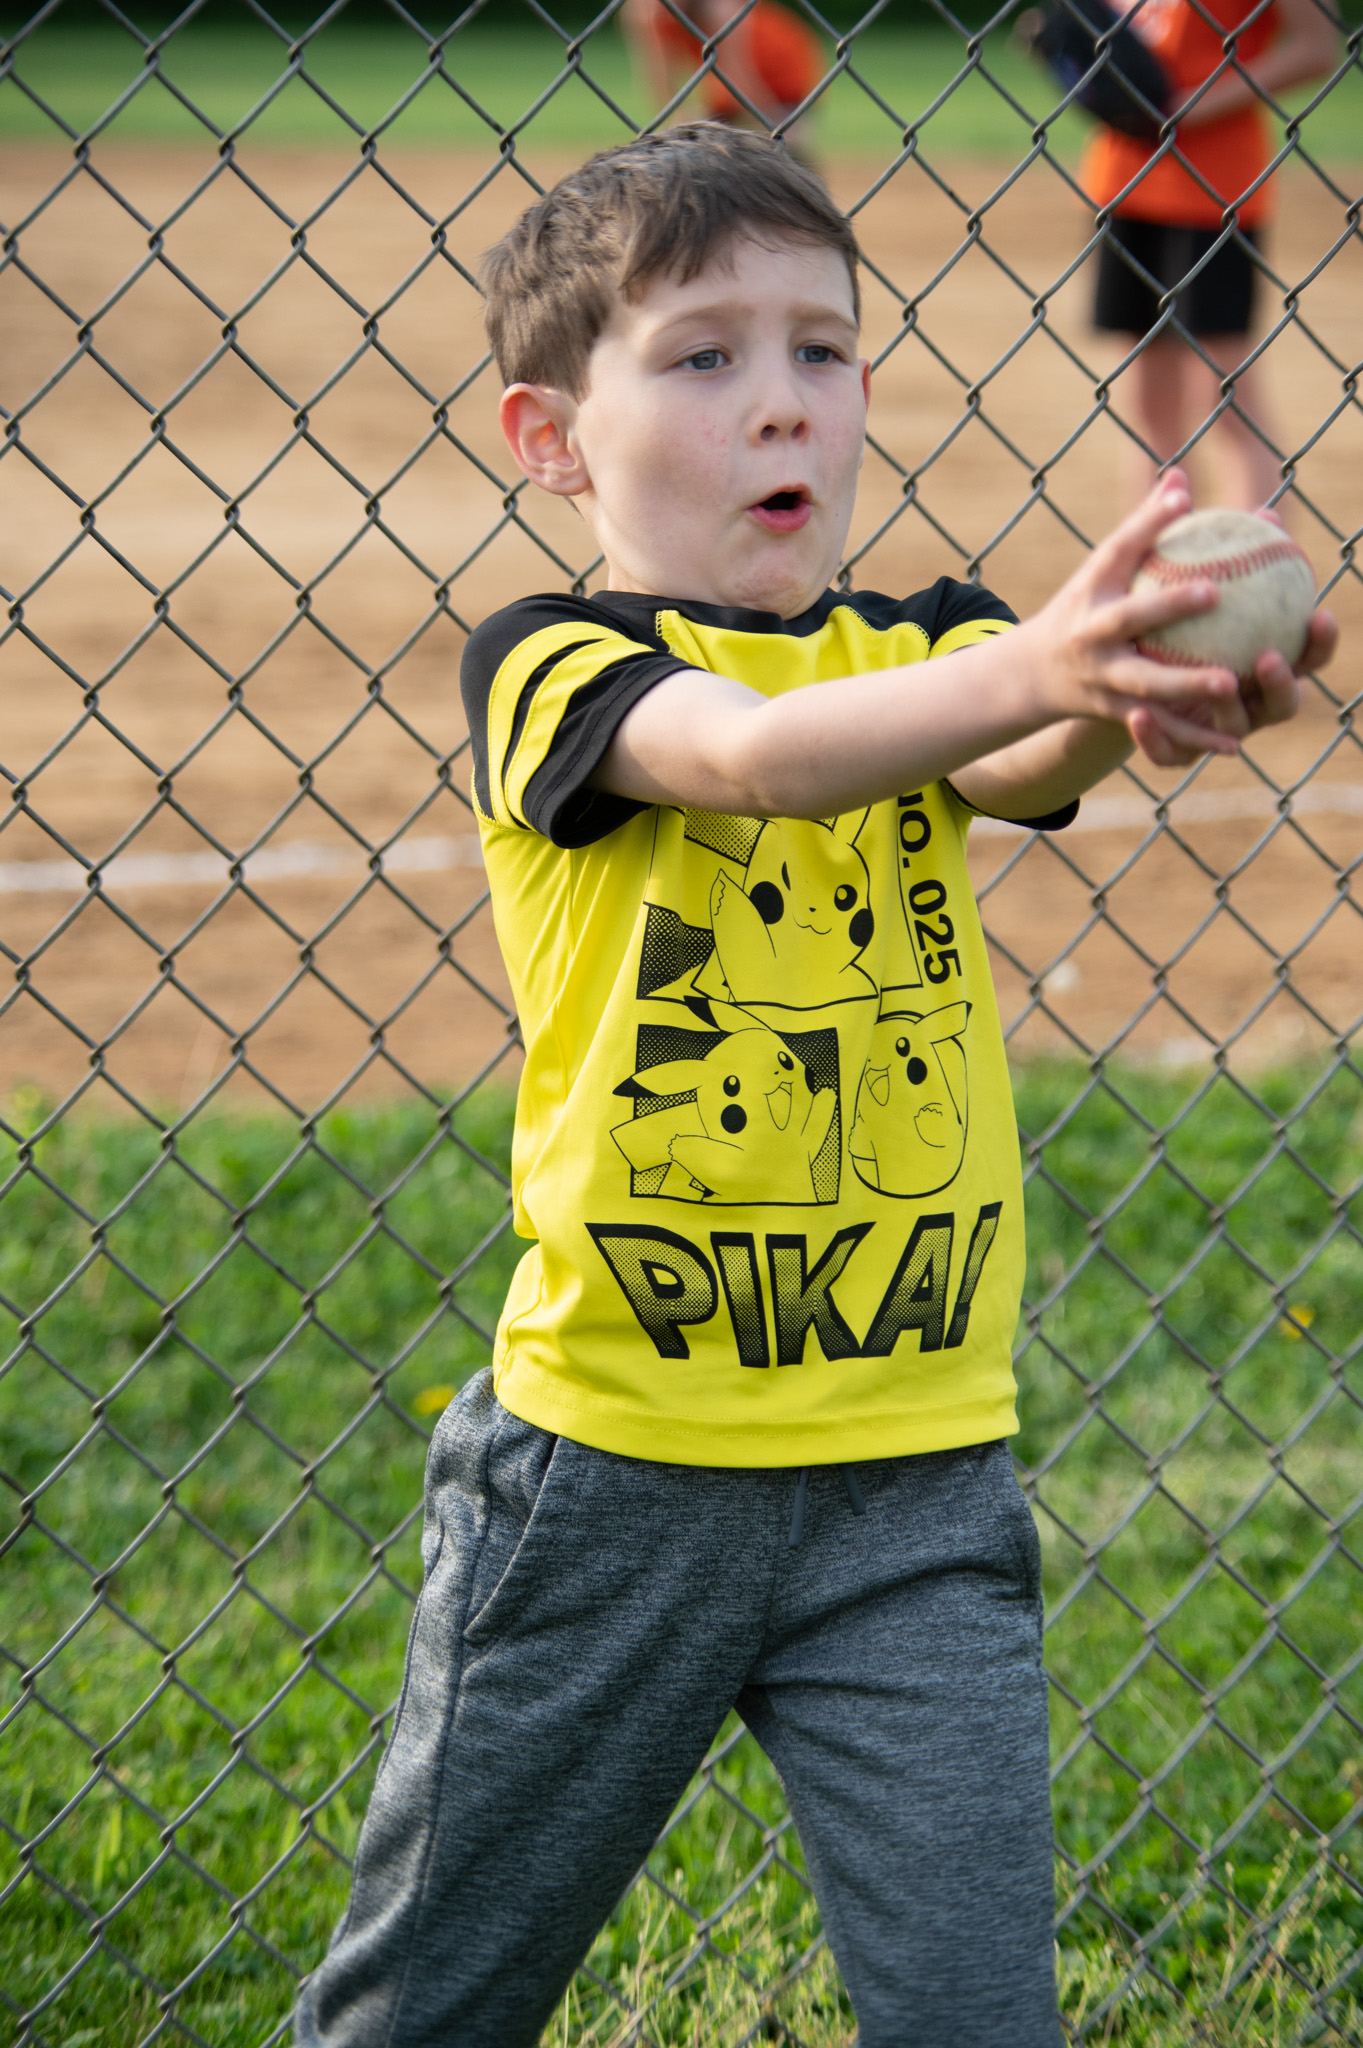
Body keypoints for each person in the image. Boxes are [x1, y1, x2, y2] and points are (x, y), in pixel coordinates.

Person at [295, 125, 1333, 2048]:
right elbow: (762, 757)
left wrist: (1123, 693)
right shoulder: (551, 665)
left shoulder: (925, 646)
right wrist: (1047, 661)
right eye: (703, 355)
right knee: (428, 2004)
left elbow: (1013, 753)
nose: (780, 400)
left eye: (821, 350)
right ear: (551, 438)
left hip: (915, 1479)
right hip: (611, 1475)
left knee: (973, 2013)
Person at [1083, 0, 1340, 507]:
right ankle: (1159, 551)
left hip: (1214, 191)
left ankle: (1262, 557)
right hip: (1124, 178)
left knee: (1225, 395)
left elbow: (1317, 48)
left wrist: (1194, 105)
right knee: (1146, 399)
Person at [624, 0, 822, 157]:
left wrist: (773, 122)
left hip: (782, 82)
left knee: (781, 149)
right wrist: (677, 117)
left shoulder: (720, 9)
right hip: (729, 91)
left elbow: (740, 78)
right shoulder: (655, 13)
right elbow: (659, 76)